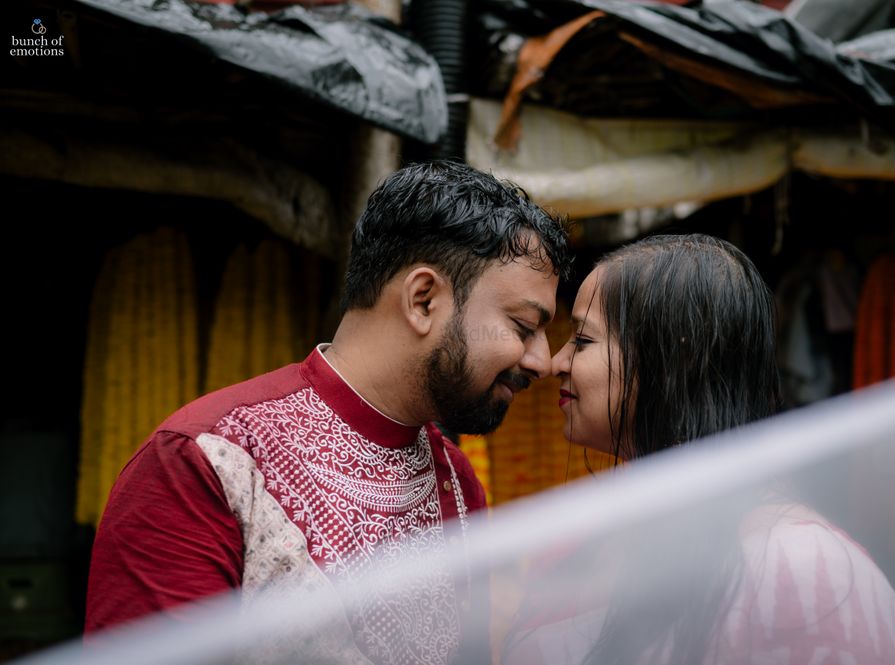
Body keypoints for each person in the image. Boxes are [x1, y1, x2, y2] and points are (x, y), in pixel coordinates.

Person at [85, 161, 572, 664]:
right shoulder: (206, 461)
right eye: (522, 326)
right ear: (423, 300)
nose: (541, 360)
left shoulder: (455, 478)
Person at [505, 234, 895, 665]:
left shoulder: (805, 571)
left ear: (678, 362)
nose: (554, 364)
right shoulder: (570, 546)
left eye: (582, 341)